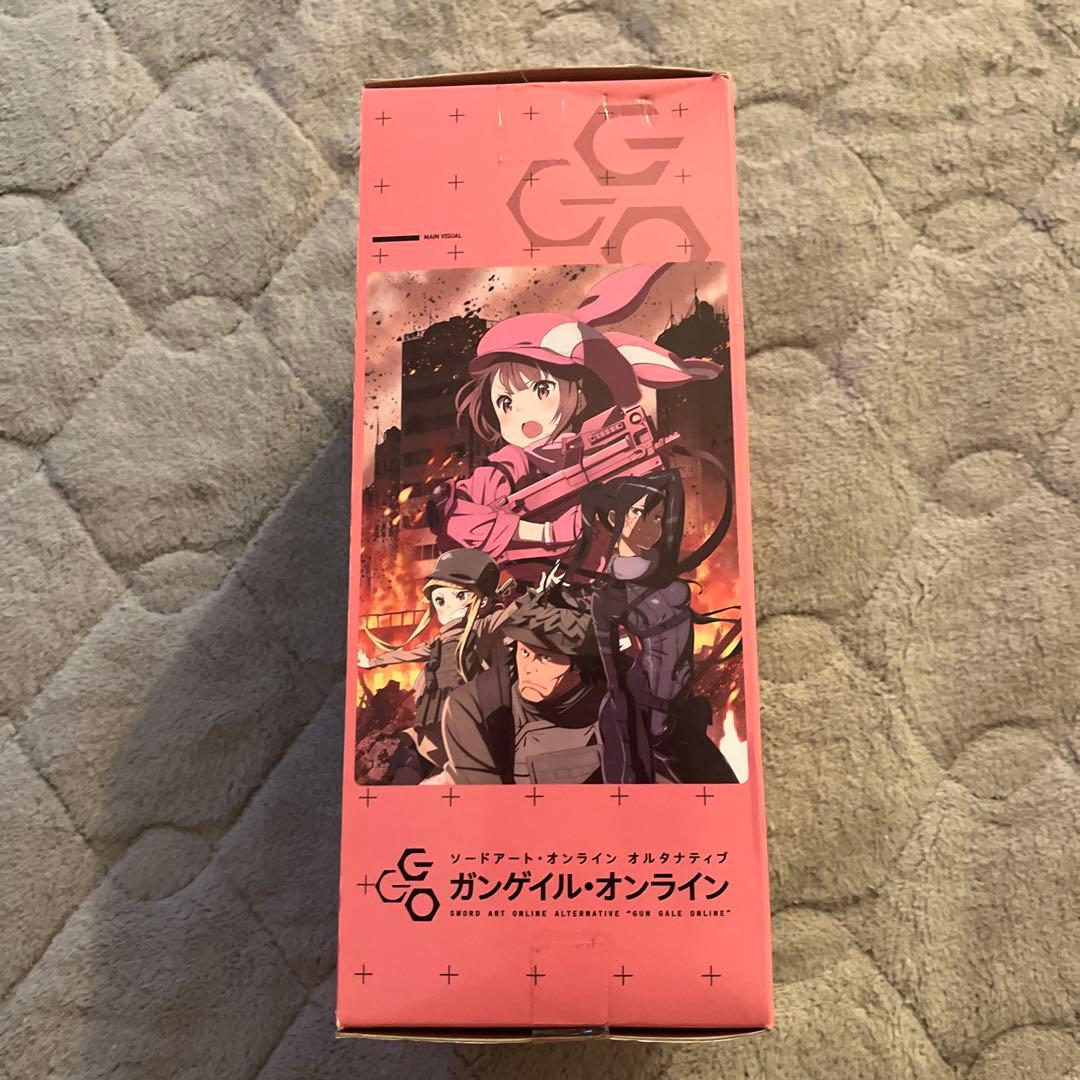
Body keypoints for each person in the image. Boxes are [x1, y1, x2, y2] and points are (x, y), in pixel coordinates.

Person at [428, 262, 721, 582]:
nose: (524, 413)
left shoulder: (610, 449)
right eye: (506, 402)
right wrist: (546, 533)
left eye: (542, 390)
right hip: (532, 596)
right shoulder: (507, 467)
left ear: (579, 394)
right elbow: (451, 516)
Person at [582, 469, 739, 785]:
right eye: (639, 513)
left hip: (677, 707)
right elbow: (614, 682)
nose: (651, 525)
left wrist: (661, 479)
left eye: (656, 517)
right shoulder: (610, 593)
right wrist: (630, 751)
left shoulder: (659, 563)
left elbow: (674, 490)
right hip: (642, 714)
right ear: (614, 518)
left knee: (723, 788)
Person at [357, 548, 514, 783]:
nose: (446, 606)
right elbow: (409, 654)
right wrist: (371, 662)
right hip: (433, 714)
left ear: (480, 601)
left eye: (460, 596)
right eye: (439, 600)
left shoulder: (481, 629)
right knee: (412, 756)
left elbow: (511, 613)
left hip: (466, 716)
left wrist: (541, 592)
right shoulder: (439, 641)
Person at [440, 580, 605, 785]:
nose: (529, 668)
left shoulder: (616, 697)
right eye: (525, 652)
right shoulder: (476, 706)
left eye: (545, 658)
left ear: (578, 664)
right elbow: (481, 796)